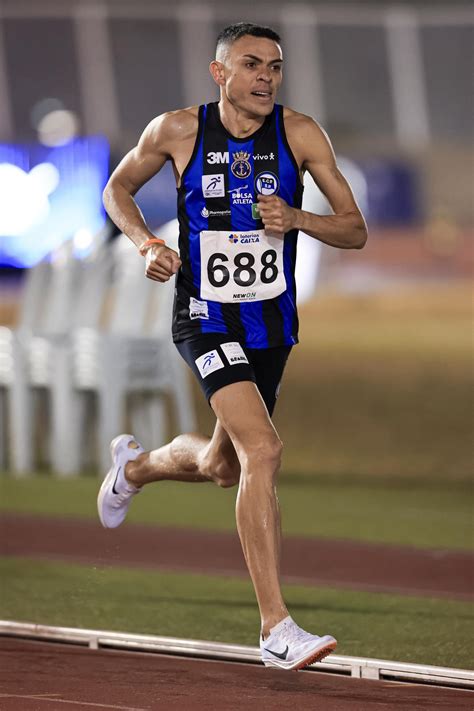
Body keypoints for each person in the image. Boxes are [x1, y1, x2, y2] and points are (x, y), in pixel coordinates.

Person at [98, 22, 367, 671]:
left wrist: (298, 217)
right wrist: (148, 245)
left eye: (274, 66)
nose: (266, 76)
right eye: (252, 64)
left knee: (225, 466)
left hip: (271, 325)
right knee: (264, 448)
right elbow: (117, 189)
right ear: (220, 73)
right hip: (205, 316)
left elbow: (354, 229)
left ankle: (132, 468)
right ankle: (276, 626)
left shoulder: (299, 135)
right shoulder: (177, 130)